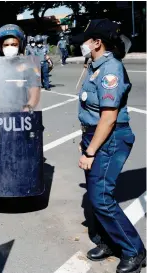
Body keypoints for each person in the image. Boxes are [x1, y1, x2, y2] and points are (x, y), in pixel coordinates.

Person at [73, 18, 146, 273]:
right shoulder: (96, 66)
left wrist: (90, 150)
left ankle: (134, 251)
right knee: (95, 196)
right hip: (95, 136)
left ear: (97, 42)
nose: (80, 46)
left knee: (101, 197)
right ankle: (107, 241)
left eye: (84, 41)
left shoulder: (110, 69)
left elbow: (109, 116)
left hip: (109, 138)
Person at [0, 24, 41, 211]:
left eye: (14, 43)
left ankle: (27, 191)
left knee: (23, 155)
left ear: (20, 45)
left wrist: (28, 107)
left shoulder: (28, 67)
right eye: (6, 44)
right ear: (0, 47)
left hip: (21, 117)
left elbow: (35, 92)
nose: (10, 47)